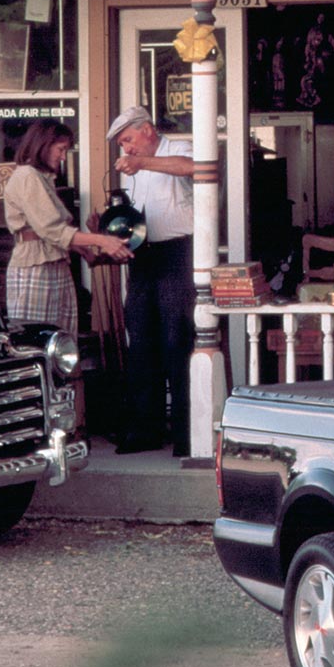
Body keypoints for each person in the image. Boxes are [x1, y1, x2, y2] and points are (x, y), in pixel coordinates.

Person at [109, 105, 195, 455]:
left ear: (146, 130)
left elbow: (195, 169)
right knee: (141, 339)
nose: (127, 149)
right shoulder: (135, 167)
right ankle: (146, 428)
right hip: (143, 256)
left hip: (178, 253)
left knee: (178, 338)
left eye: (128, 140)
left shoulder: (177, 149)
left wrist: (142, 163)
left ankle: (186, 434)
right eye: (122, 144)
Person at [2, 120, 131, 337]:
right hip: (36, 268)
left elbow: (54, 233)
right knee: (37, 340)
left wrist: (84, 250)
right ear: (43, 144)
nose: (63, 157)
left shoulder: (43, 178)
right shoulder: (27, 176)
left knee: (61, 341)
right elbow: (51, 230)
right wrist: (102, 241)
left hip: (54, 265)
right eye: (61, 149)